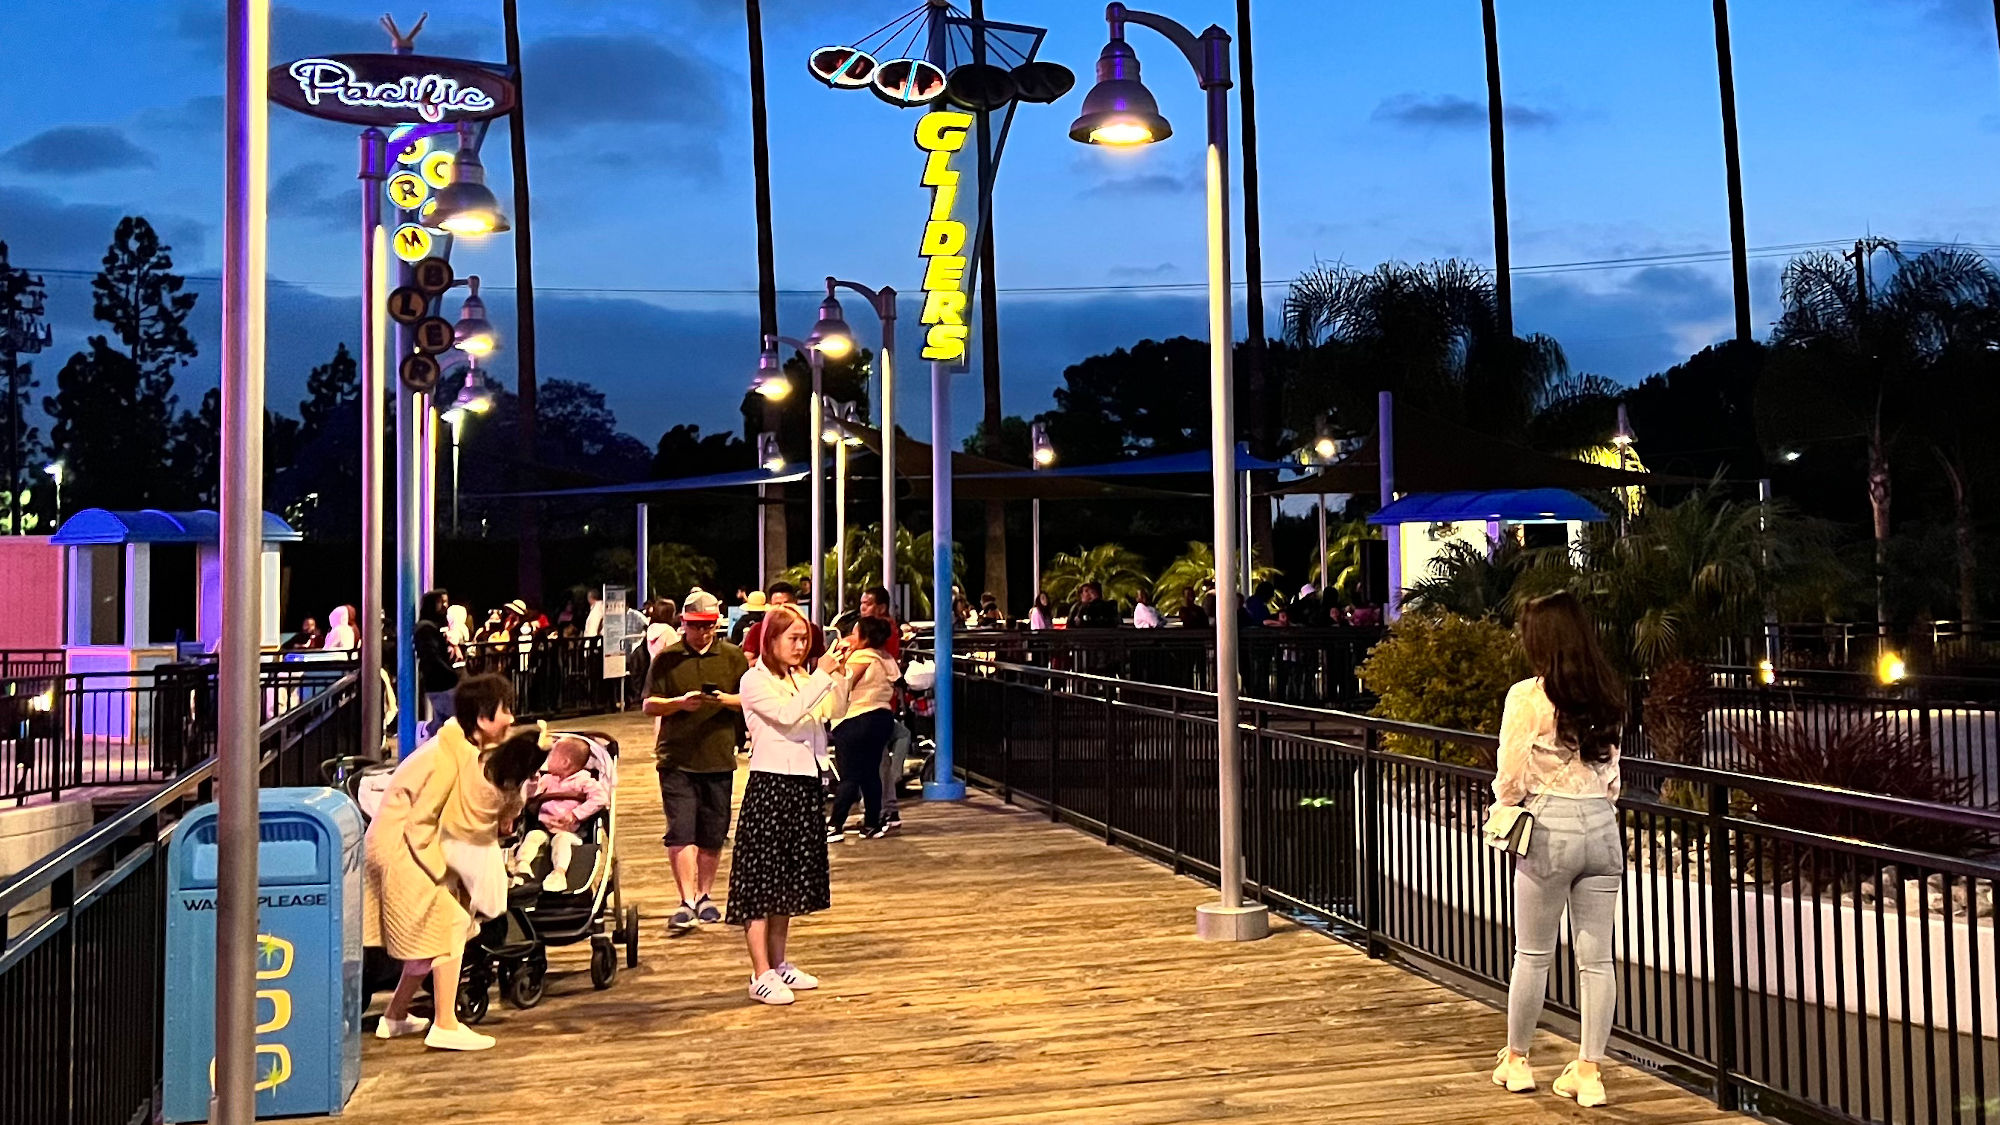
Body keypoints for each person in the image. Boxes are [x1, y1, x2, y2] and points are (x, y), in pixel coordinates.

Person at [1490, 591, 1625, 1109]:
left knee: (1533, 952)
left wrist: (1508, 805)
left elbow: (1510, 770)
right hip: (1601, 825)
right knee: (1597, 961)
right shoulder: (1607, 692)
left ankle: (1518, 1061)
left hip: (1549, 826)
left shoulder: (1527, 696)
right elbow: (1613, 772)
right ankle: (1589, 1071)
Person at [362, 674, 522, 1051]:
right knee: (449, 923)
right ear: (483, 719)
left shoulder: (459, 752)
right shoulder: (446, 758)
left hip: (406, 849)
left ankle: (396, 1016)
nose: (512, 719)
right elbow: (422, 822)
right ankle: (446, 1025)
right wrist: (440, 874)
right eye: (506, 710)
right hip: (402, 852)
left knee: (432, 936)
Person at [730, 604, 847, 1005]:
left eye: (805, 640)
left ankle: (779, 964)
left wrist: (838, 677)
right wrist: (821, 676)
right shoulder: (753, 680)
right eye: (793, 639)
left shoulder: (802, 677)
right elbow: (786, 716)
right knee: (761, 881)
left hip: (804, 784)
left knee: (788, 880)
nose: (801, 646)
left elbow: (834, 714)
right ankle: (759, 971)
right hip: (771, 786)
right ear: (772, 639)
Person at [644, 590, 749, 931]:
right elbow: (649, 704)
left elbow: (749, 701)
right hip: (677, 755)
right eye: (695, 626)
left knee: (713, 831)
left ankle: (705, 895)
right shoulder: (667, 658)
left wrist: (724, 700)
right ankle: (686, 899)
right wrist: (678, 703)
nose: (702, 633)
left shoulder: (733, 657)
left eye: (708, 626)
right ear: (683, 623)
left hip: (719, 755)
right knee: (681, 829)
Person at [827, 615, 901, 841]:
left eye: (855, 632)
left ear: (865, 637)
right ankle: (872, 823)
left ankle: (834, 825)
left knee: (850, 775)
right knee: (870, 774)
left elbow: (844, 682)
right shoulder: (885, 658)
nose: (851, 635)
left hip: (856, 719)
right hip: (881, 718)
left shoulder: (861, 657)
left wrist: (836, 663)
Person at [515, 733, 609, 893]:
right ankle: (522, 867)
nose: (547, 760)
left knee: (561, 841)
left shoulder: (584, 781)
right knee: (532, 837)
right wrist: (532, 779)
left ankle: (559, 873)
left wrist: (575, 814)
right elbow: (531, 795)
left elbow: (600, 798)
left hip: (571, 832)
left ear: (565, 762)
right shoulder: (548, 779)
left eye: (551, 755)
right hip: (544, 828)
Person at [859, 586, 912, 831]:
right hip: (873, 704)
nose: (863, 608)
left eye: (867, 603)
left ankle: (883, 810)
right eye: (862, 603)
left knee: (876, 759)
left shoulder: (882, 631)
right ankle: (885, 808)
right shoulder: (880, 629)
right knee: (876, 757)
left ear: (880, 607)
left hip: (875, 704)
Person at [415, 590, 461, 740]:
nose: (445, 606)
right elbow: (431, 657)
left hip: (439, 682)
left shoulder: (430, 626)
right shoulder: (426, 628)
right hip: (441, 683)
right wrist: (451, 675)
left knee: (443, 721)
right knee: (454, 720)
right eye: (442, 602)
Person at [742, 582, 824, 663]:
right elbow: (747, 664)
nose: (782, 608)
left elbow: (818, 661)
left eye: (786, 603)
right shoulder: (757, 629)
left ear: (795, 603)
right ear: (770, 605)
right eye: (777, 604)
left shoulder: (810, 629)